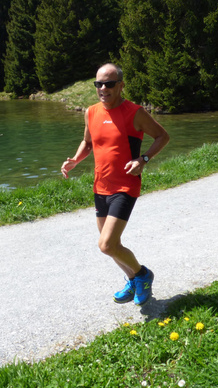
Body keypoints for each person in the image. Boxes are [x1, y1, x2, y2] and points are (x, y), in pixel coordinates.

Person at [61, 63, 170, 305]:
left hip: (125, 186)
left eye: (109, 83)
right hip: (101, 186)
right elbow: (88, 142)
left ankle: (143, 275)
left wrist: (144, 159)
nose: (103, 88)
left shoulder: (135, 112)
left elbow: (163, 136)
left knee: (106, 244)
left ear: (120, 86)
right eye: (98, 83)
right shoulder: (91, 112)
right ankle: (132, 279)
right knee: (112, 246)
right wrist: (75, 160)